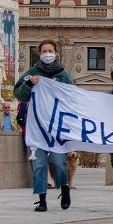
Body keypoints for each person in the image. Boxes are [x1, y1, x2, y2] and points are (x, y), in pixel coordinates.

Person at [14, 39, 75, 212]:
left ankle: (64, 189)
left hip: (56, 127)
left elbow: (72, 97)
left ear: (56, 53)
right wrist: (29, 84)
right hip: (37, 127)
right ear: (39, 53)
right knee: (39, 164)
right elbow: (19, 94)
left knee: (58, 162)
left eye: (50, 51)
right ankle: (42, 200)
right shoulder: (32, 72)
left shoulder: (63, 75)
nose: (47, 54)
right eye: (44, 51)